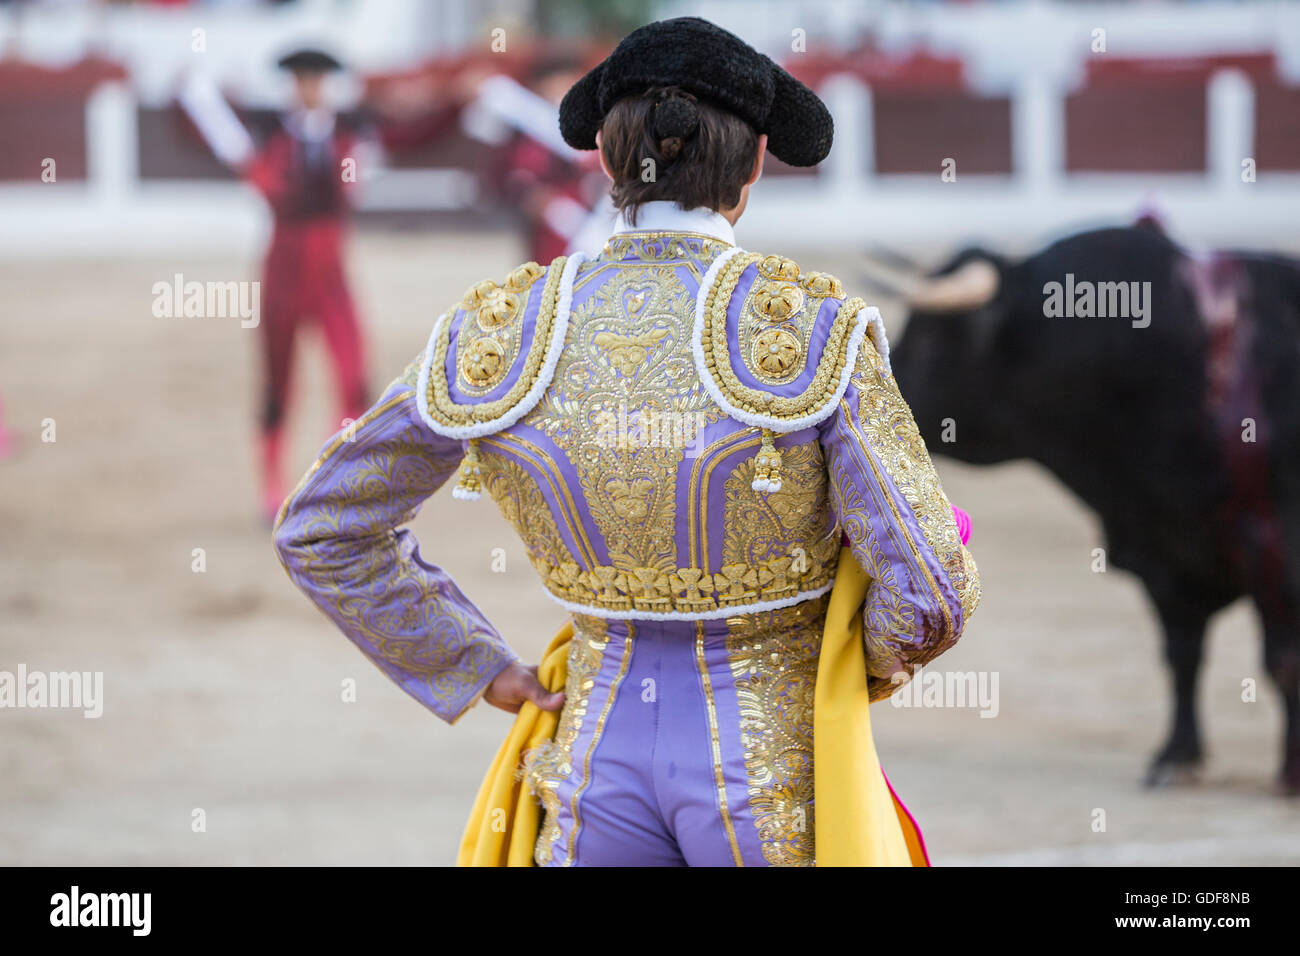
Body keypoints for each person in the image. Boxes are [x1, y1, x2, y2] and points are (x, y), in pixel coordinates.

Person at [273, 17, 980, 866]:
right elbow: (931, 591)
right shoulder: (811, 328)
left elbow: (320, 527)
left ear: (606, 162)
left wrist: (473, 663)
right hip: (773, 761)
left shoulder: (499, 329)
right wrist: (837, 668)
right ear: (754, 165)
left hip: (590, 756)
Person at [245, 49, 371, 523]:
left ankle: (341, 481)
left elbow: (349, 190)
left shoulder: (345, 134)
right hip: (284, 266)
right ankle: (272, 487)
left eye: (316, 79)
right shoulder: (271, 134)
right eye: (302, 80)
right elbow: (269, 187)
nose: (309, 88)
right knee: (277, 379)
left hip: (331, 269)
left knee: (352, 371)